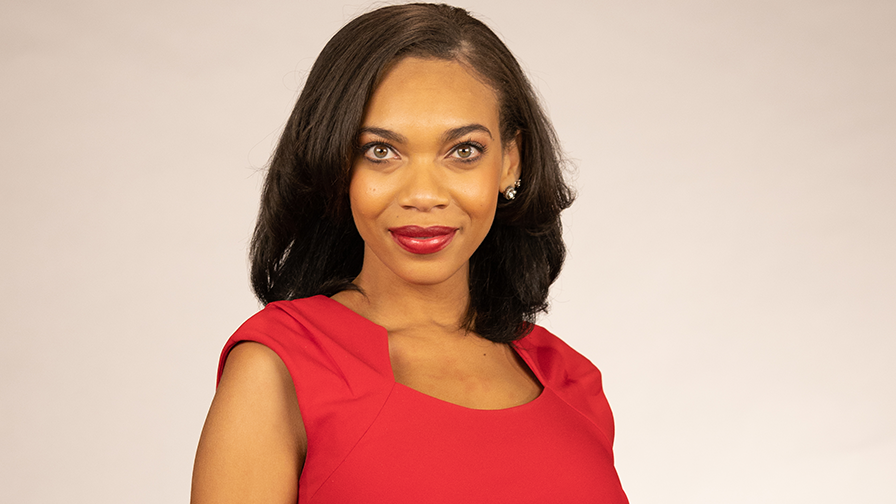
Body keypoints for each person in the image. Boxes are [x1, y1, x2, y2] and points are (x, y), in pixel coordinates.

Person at [191, 3, 628, 502]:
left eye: (463, 150)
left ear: (510, 161)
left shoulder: (570, 380)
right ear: (338, 164)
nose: (423, 194)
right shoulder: (280, 369)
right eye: (381, 151)